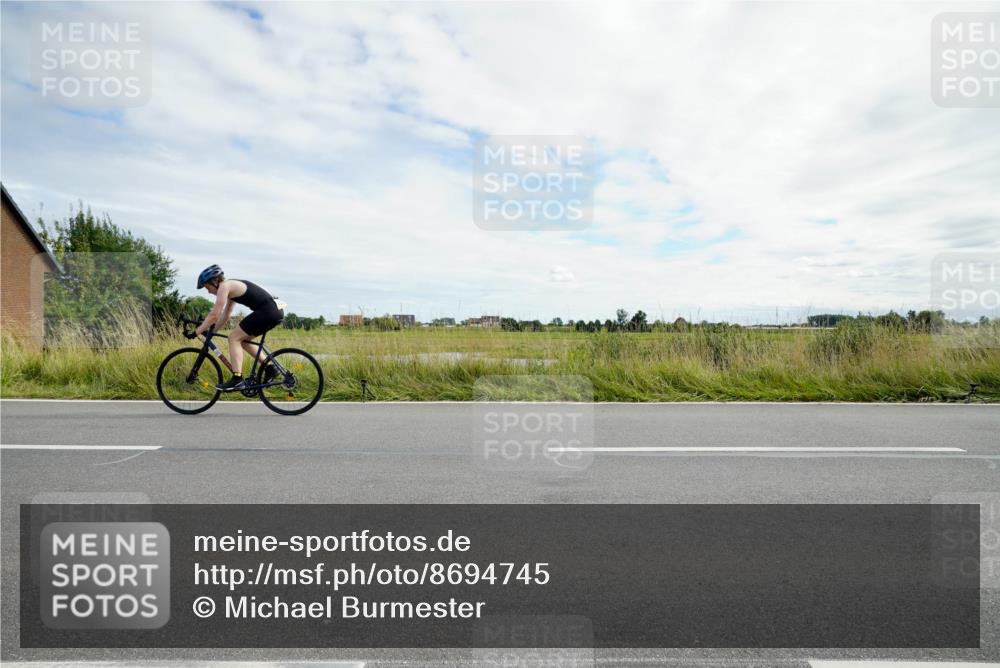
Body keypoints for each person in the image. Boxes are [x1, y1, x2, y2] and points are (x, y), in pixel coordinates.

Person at [191, 265, 284, 391]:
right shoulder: (230, 287)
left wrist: (197, 332)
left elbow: (214, 314)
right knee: (243, 340)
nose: (208, 292)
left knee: (233, 338)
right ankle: (270, 368)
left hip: (267, 311)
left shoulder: (224, 286)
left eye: (208, 287)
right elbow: (225, 315)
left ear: (215, 281)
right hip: (274, 311)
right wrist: (212, 332)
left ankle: (237, 379)